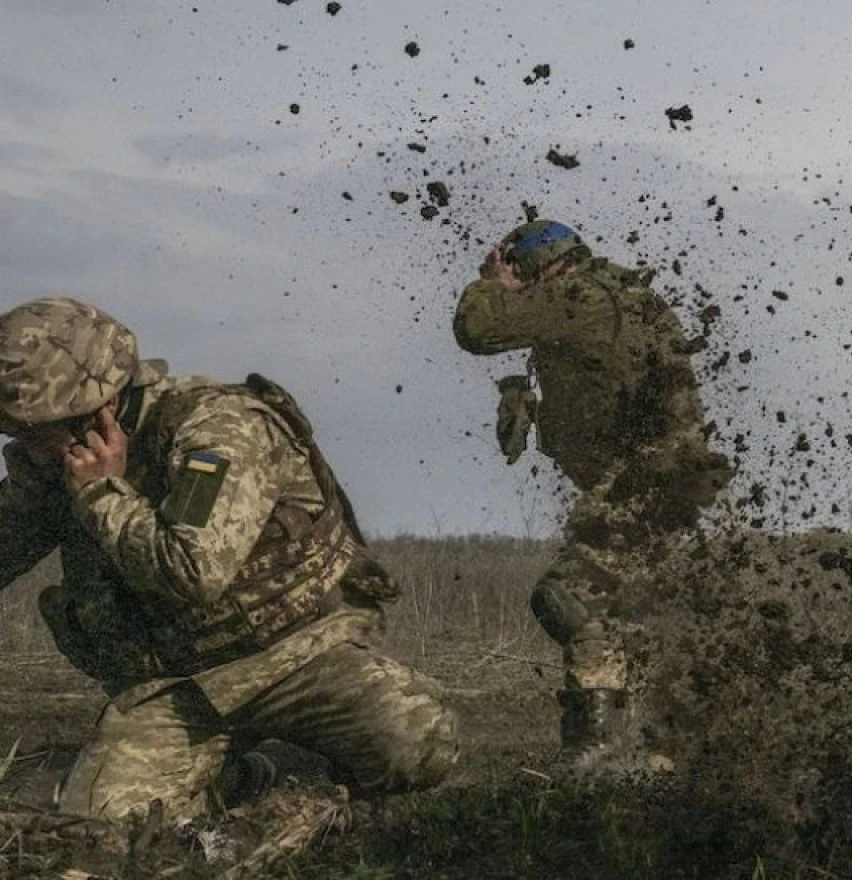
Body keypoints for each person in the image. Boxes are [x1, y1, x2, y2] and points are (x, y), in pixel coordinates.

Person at [0, 297, 458, 822]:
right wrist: (31, 495)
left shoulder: (218, 429)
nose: (25, 449)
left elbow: (194, 570)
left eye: (35, 433)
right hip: (177, 687)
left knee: (417, 742)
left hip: (299, 656)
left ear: (98, 410)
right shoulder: (61, 462)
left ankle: (298, 764)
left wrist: (102, 495)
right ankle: (242, 775)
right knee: (106, 819)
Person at [453, 220, 733, 766]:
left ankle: (600, 745)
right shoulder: (626, 294)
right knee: (630, 613)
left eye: (521, 271)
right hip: (665, 485)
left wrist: (490, 284)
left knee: (570, 596)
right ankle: (663, 747)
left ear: (539, 266)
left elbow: (477, 329)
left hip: (645, 485)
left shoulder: (575, 294)